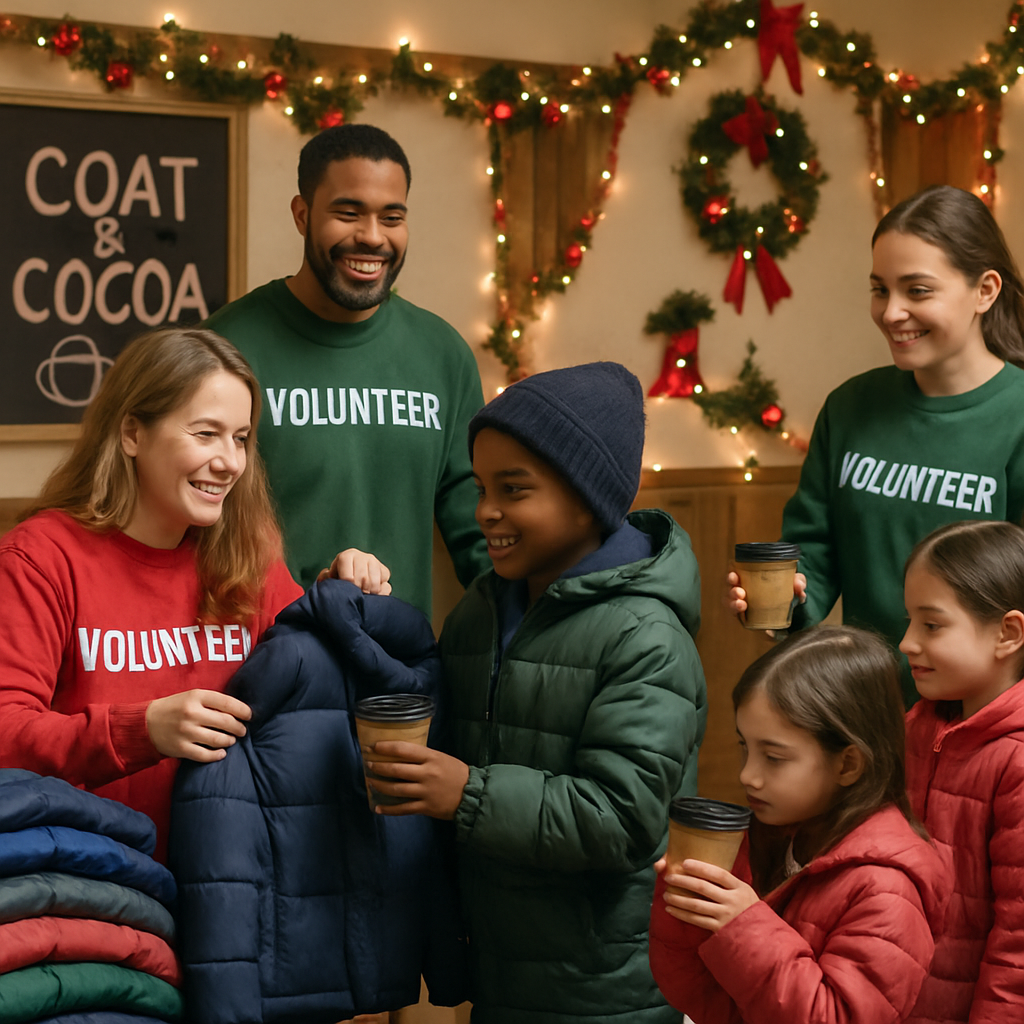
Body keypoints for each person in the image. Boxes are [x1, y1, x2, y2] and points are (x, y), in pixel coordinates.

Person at [362, 362, 707, 1024]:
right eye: (481, 488)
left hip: (604, 992)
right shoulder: (480, 612)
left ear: (587, 497)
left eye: (514, 489)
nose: (484, 511)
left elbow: (623, 820)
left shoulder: (646, 638)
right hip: (499, 974)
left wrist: (466, 793)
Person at [0, 328, 306, 862]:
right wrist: (139, 731)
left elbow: (312, 695)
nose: (230, 462)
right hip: (92, 878)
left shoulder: (250, 555)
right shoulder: (40, 559)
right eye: (205, 434)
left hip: (232, 876)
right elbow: (6, 732)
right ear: (131, 434)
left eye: (240, 438)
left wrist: (343, 591)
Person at [727, 185, 1024, 705]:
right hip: (868, 711)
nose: (891, 312)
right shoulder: (849, 407)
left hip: (986, 726)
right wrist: (784, 603)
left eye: (918, 290)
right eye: (880, 289)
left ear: (985, 290)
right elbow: (813, 555)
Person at [205, 122, 490, 617]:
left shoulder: (442, 353)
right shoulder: (225, 349)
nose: (372, 237)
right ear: (302, 214)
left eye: (392, 217)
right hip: (262, 654)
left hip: (401, 658)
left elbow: (480, 534)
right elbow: (187, 531)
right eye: (348, 213)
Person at [649, 626, 949, 1024]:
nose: (747, 775)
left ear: (847, 764)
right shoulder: (774, 835)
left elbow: (837, 1016)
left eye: (774, 758)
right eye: (745, 747)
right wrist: (691, 903)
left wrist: (743, 927)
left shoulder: (887, 889)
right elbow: (702, 997)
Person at [902, 519, 1024, 1021]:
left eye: (931, 625)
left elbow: (1017, 946)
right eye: (909, 621)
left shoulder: (1016, 762)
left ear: (1008, 634)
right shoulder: (917, 727)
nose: (907, 642)